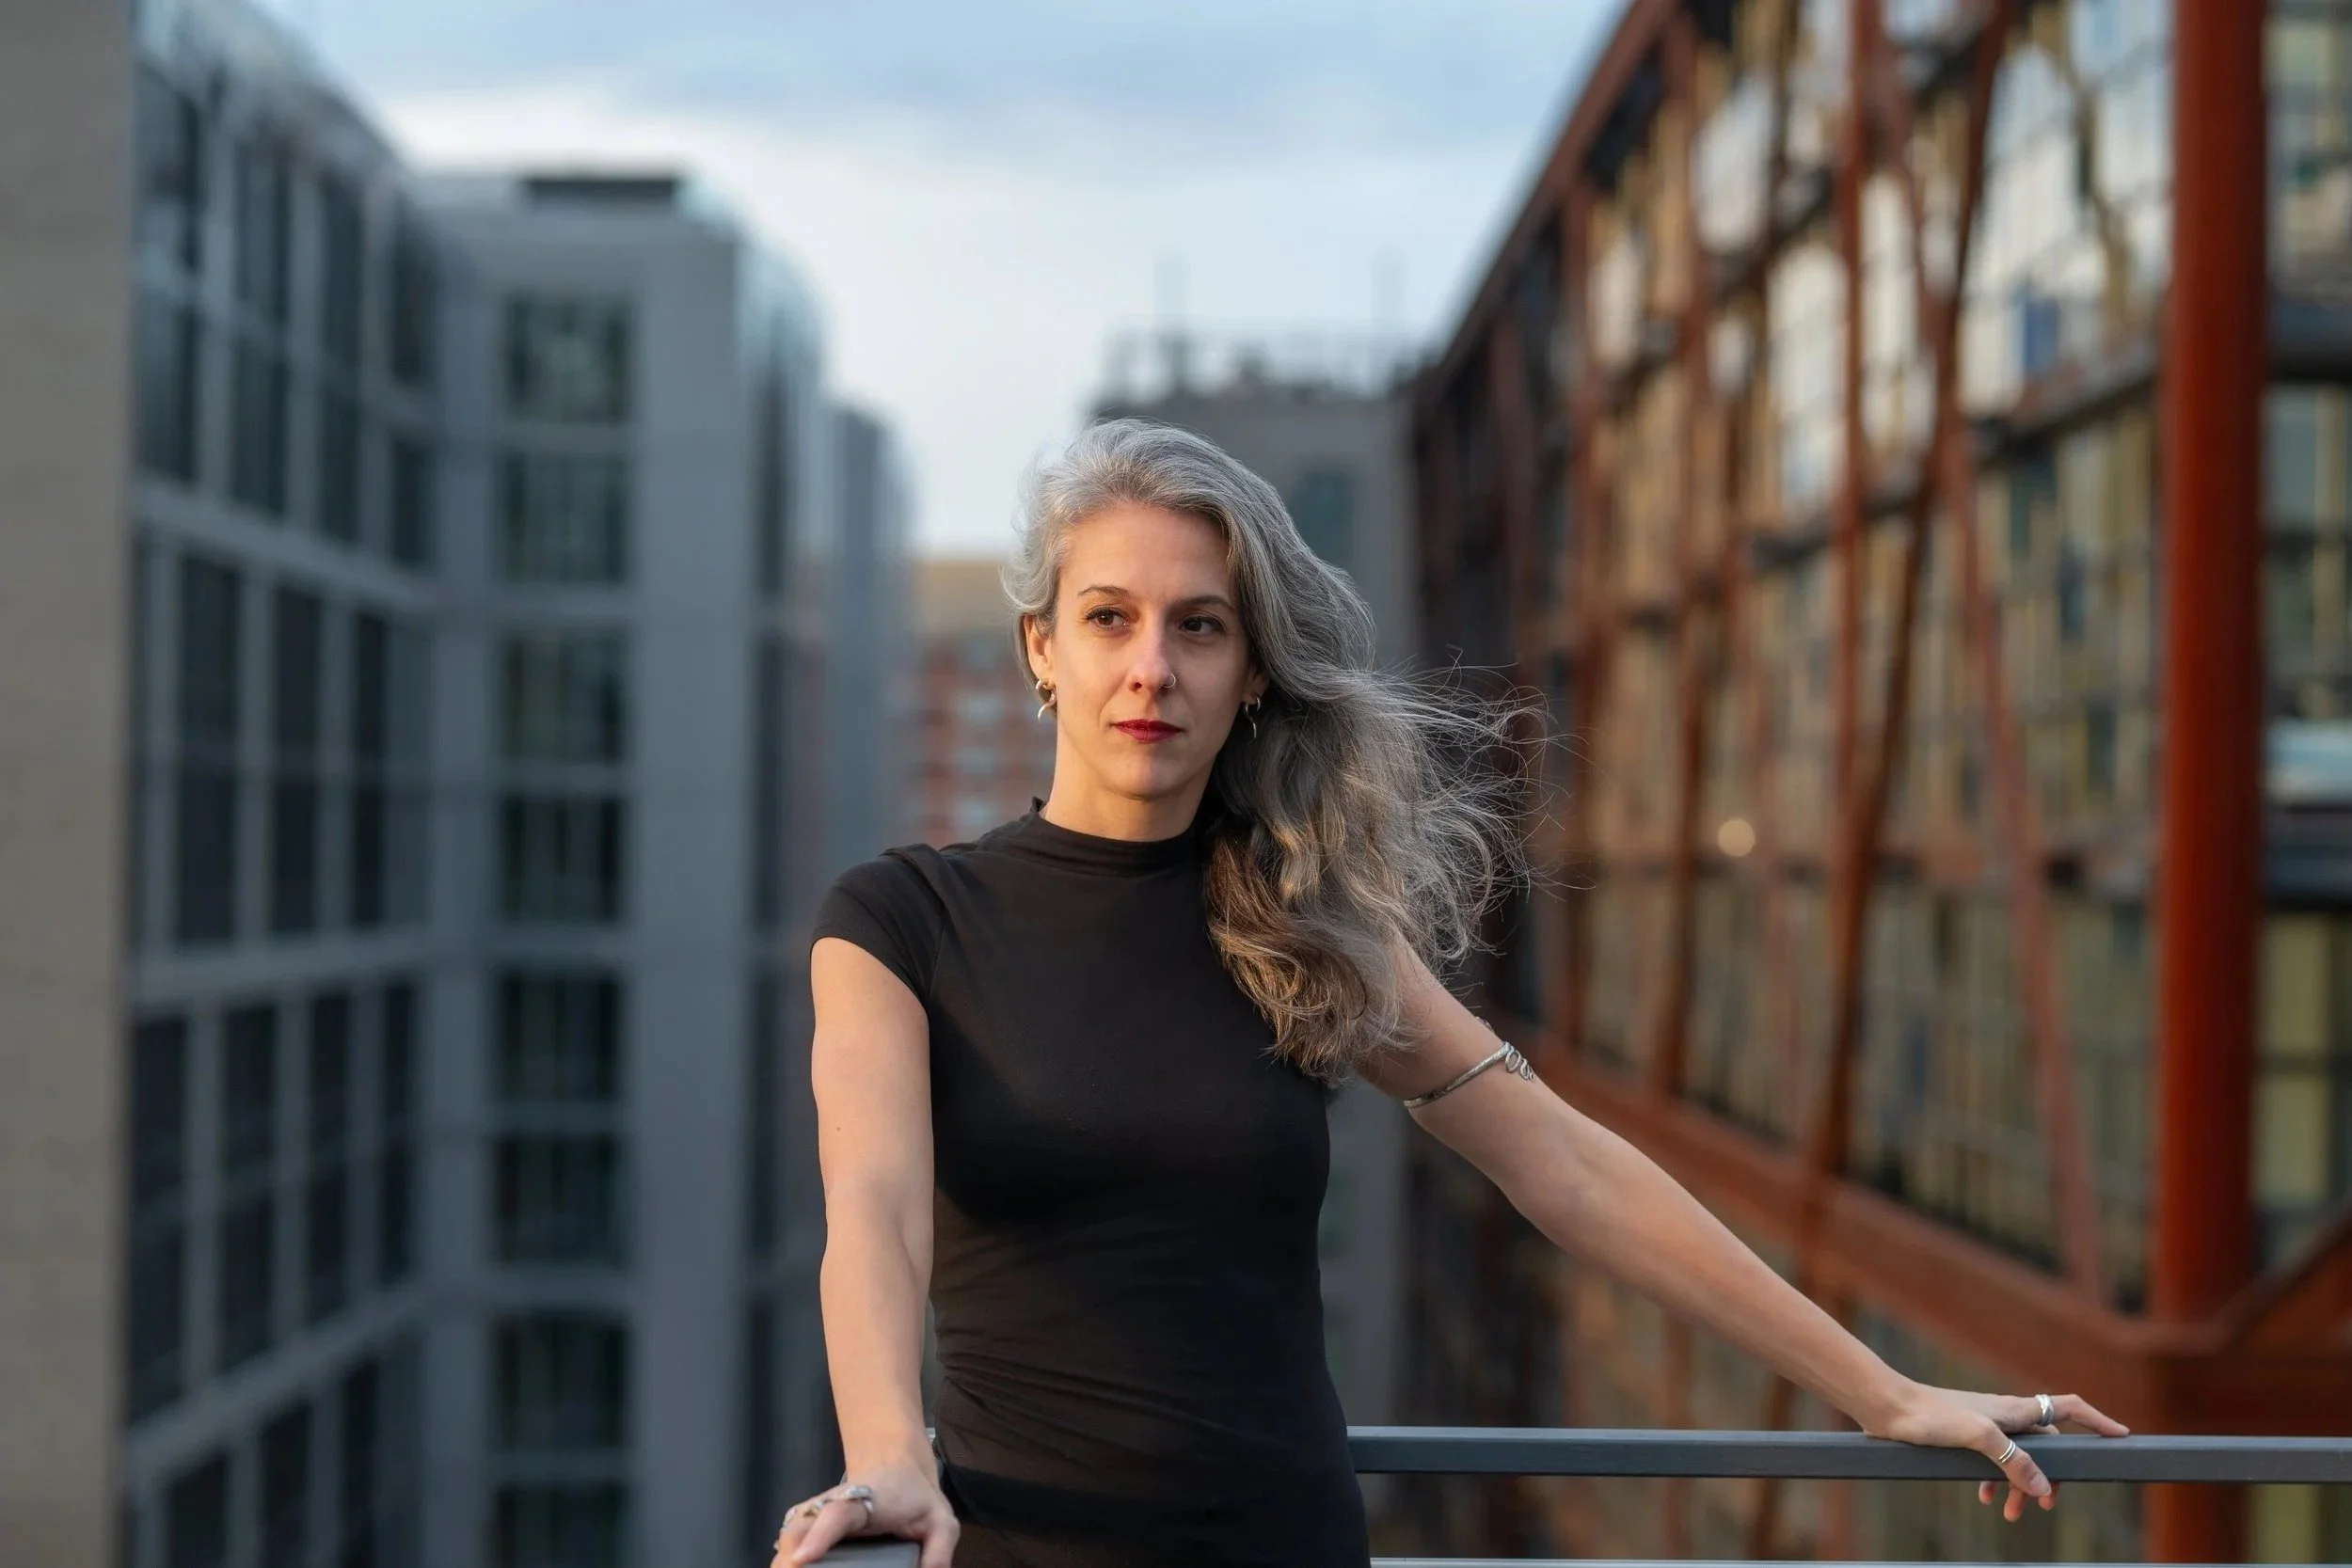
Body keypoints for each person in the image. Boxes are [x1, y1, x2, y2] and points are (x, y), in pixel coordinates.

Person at [772, 419, 2127, 1568]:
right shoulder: (900, 922)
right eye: (1109, 619)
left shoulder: (1298, 926)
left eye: (1201, 626)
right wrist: (890, 1449)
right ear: (1040, 652)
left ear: (1251, 674)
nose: (1152, 668)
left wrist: (1884, 1393)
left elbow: (1569, 1171)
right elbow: (876, 1211)